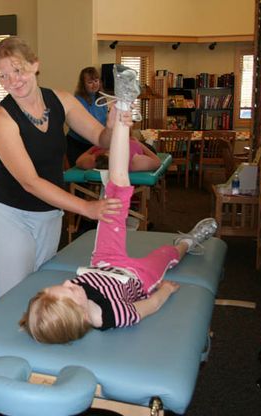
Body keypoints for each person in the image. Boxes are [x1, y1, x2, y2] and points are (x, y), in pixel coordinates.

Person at [19, 65, 218, 343]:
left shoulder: (68, 298)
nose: (68, 282)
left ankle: (124, 105)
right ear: (80, 314)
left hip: (104, 261)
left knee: (116, 189)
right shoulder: (110, 316)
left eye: (61, 285)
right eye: (70, 291)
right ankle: (189, 241)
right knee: (168, 253)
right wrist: (165, 292)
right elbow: (148, 307)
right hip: (137, 279)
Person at [0, 36, 125, 301]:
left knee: (41, 296)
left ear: (35, 64)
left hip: (50, 214)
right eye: (3, 76)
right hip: (11, 216)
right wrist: (86, 207)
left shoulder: (61, 101)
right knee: (11, 299)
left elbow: (101, 139)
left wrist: (114, 123)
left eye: (17, 70)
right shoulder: (1, 119)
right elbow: (30, 182)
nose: (12, 81)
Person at [66, 67, 108, 167]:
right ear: (83, 84)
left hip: (94, 143)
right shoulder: (78, 100)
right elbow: (85, 124)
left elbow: (103, 121)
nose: (94, 84)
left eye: (96, 80)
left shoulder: (102, 99)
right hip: (77, 144)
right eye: (90, 82)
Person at [75, 136, 161, 172]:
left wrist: (96, 145)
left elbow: (78, 161)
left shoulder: (94, 159)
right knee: (151, 149)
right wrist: (140, 144)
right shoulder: (133, 161)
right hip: (137, 145)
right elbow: (157, 161)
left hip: (127, 142)